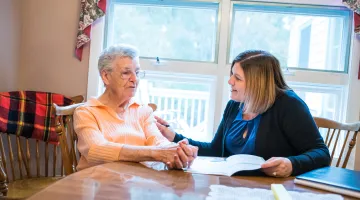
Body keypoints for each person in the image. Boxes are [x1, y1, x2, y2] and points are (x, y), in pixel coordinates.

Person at [156, 50, 330, 177]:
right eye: (232, 75)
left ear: (258, 84)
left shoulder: (289, 105)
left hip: (273, 189)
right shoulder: (234, 106)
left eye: (237, 78)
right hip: (233, 187)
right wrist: (173, 136)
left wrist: (292, 164)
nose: (230, 81)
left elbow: (321, 153)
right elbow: (216, 150)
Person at [73, 44, 197, 171]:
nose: (135, 79)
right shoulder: (86, 112)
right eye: (126, 73)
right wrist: (158, 153)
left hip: (135, 185)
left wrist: (177, 153)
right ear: (106, 76)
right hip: (97, 185)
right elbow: (96, 149)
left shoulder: (143, 111)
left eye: (137, 72)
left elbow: (158, 141)